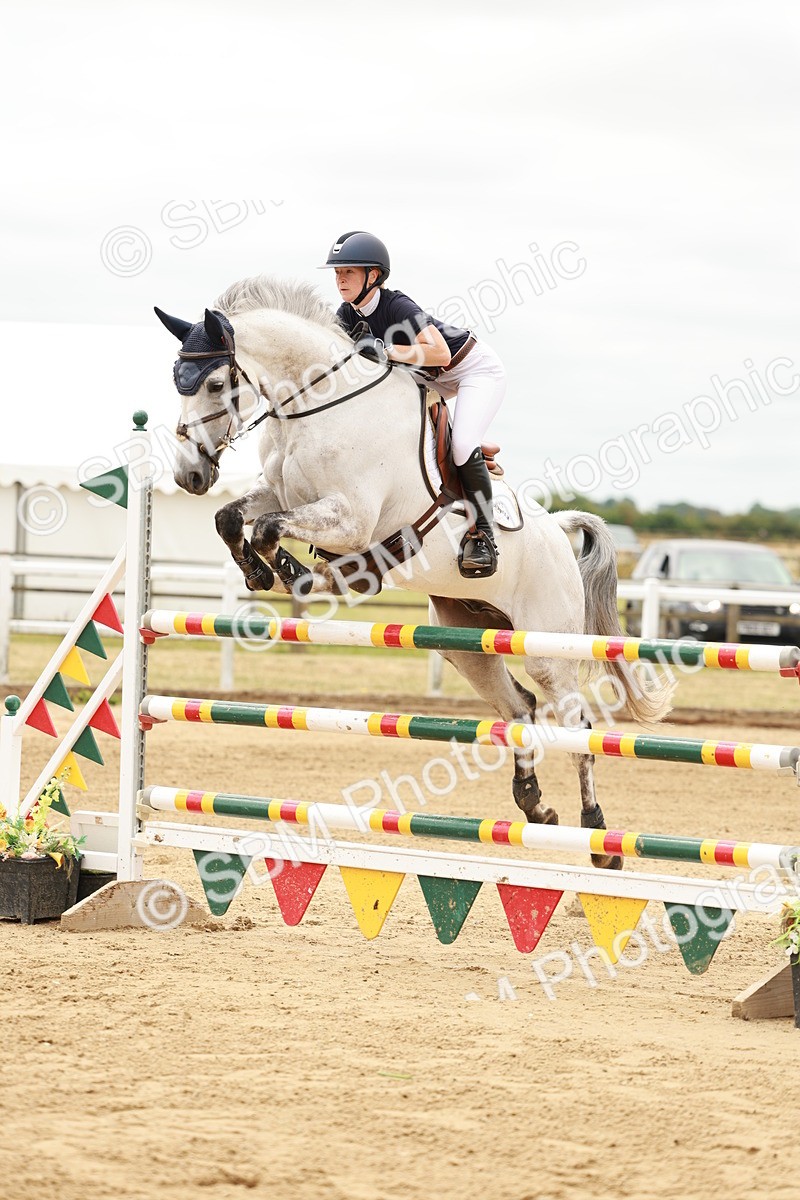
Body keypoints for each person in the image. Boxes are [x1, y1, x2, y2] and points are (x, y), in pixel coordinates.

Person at [320, 230, 506, 577]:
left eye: (348, 271)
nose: (340, 279)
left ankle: (482, 535)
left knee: (462, 444)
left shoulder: (396, 305)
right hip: (426, 377)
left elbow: (441, 353)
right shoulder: (345, 315)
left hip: (471, 369)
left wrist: (385, 351)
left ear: (373, 276)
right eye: (337, 273)